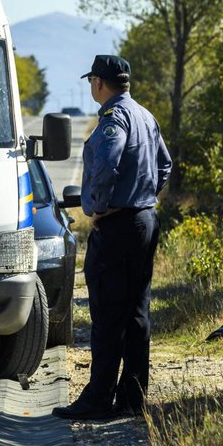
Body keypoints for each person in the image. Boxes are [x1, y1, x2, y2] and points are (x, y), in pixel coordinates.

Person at [53, 55, 172, 421]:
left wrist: (98, 207)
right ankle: (132, 398)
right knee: (136, 312)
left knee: (107, 313)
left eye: (92, 81)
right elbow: (164, 164)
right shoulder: (145, 115)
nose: (92, 87)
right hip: (144, 220)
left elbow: (106, 163)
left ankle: (98, 399)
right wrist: (145, 195)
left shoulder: (113, 118)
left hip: (119, 224)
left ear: (100, 83)